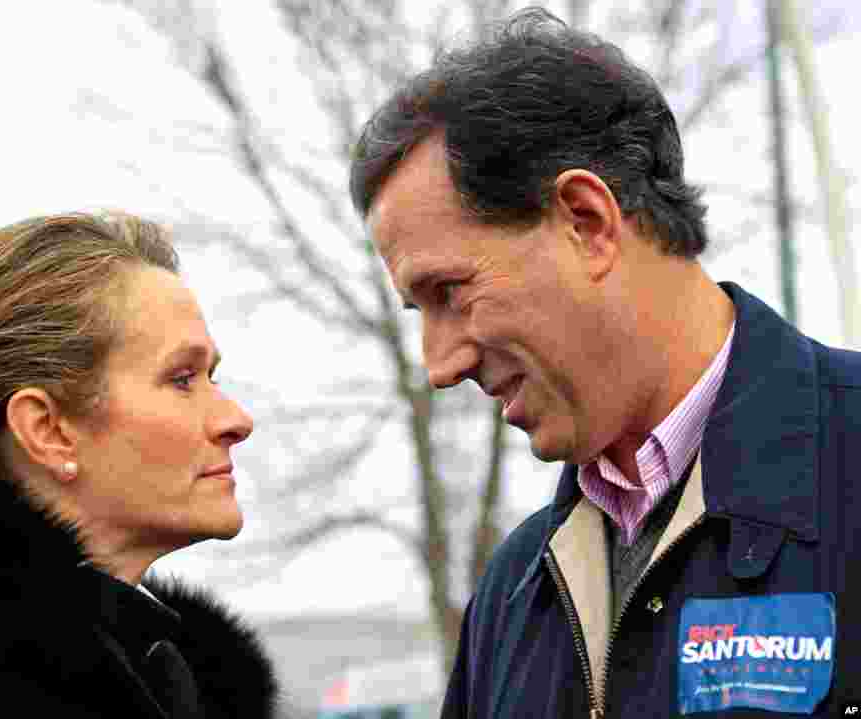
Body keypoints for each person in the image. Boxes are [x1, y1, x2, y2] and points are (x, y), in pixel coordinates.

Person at [351, 8, 857, 718]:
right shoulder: (509, 597)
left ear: (586, 222)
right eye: (419, 310)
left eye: (449, 292)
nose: (439, 363)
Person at [0, 213, 277, 718]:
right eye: (181, 378)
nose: (235, 420)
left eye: (211, 377)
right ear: (47, 430)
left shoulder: (177, 677)